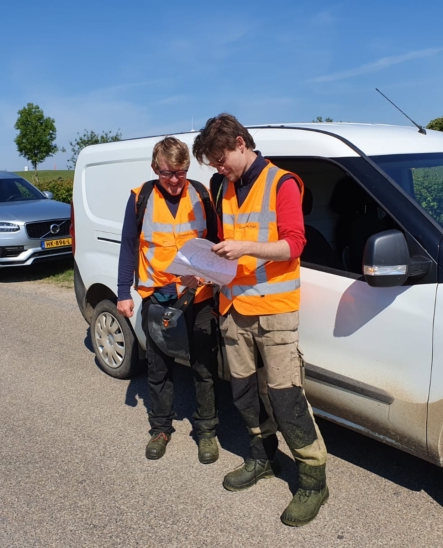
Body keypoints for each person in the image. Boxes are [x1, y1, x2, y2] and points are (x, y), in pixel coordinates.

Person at [192, 114, 329, 527]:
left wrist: (244, 247)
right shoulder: (224, 187)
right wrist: (209, 269)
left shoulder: (282, 182)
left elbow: (295, 243)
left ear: (239, 143)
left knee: (286, 396)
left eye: (220, 159)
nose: (218, 168)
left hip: (274, 312)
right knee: (244, 394)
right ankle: (262, 457)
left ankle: (313, 480)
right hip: (234, 308)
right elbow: (226, 249)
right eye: (213, 163)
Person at [117, 136, 219, 464]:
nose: (175, 181)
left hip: (199, 297)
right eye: (167, 174)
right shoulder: (140, 198)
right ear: (154, 168)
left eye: (181, 172)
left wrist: (212, 277)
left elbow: (216, 245)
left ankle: (206, 432)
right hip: (158, 299)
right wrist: (123, 293)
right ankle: (160, 429)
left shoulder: (202, 195)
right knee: (159, 368)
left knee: (204, 366)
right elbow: (129, 247)